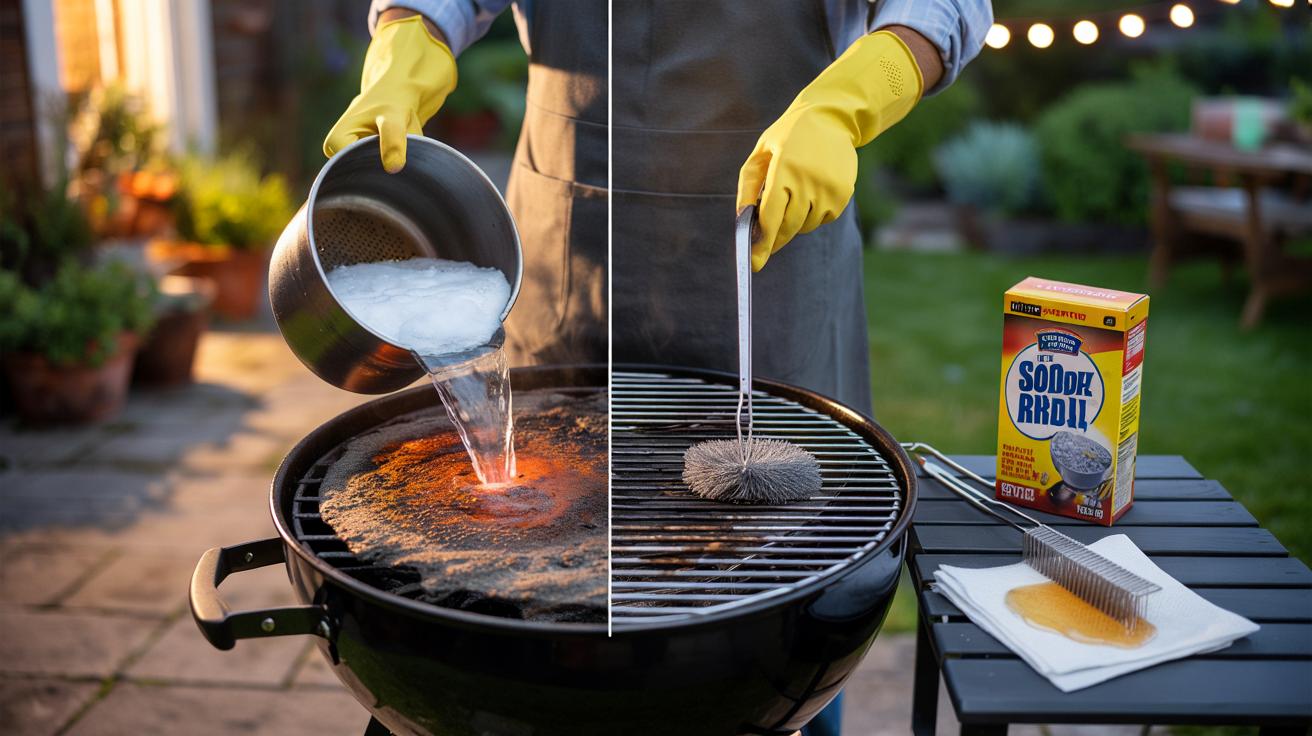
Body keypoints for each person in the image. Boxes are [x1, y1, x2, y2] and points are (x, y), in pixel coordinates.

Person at [327, 2, 990, 734]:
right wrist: (407, 36)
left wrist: (848, 103)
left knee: (779, 598)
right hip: (571, 250)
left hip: (773, 245)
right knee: (541, 602)